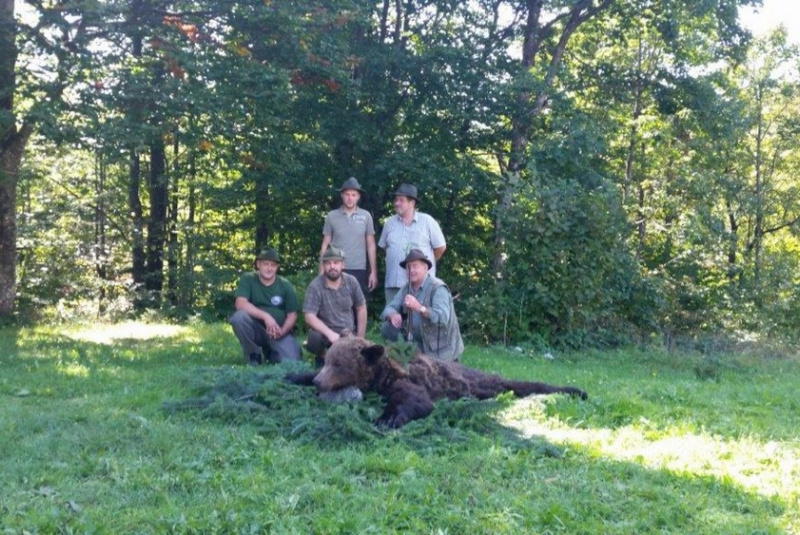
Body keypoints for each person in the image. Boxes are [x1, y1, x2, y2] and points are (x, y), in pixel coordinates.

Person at [380, 248, 463, 362]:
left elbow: (442, 318)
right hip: (418, 340)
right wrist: (393, 315)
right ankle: (405, 358)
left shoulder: (437, 288)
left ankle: (419, 359)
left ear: (425, 268)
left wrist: (420, 308)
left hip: (440, 346)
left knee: (436, 375)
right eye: (408, 267)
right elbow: (388, 308)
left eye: (415, 266)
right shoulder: (406, 288)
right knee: (387, 328)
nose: (411, 270)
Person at [229, 247, 302, 365]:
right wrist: (266, 317)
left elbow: (292, 315)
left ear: (277, 267)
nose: (269, 268)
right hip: (256, 328)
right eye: (265, 264)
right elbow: (240, 303)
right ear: (258, 264)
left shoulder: (285, 285)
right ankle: (253, 355)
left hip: (278, 331)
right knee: (239, 318)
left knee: (292, 362)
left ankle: (270, 352)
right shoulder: (248, 279)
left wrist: (282, 331)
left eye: (273, 265)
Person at [378, 183, 446, 305]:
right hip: (394, 284)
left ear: (412, 203)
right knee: (393, 320)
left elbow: (440, 248)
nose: (396, 203)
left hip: (422, 286)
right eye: (396, 199)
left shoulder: (427, 222)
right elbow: (386, 249)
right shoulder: (389, 223)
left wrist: (425, 264)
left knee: (420, 321)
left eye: (401, 200)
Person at [304, 246, 367, 366]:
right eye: (328, 263)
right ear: (323, 266)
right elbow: (309, 316)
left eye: (336, 263)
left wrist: (360, 338)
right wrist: (330, 334)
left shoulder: (352, 282)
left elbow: (361, 308)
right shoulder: (315, 286)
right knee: (313, 339)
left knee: (358, 357)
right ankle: (322, 357)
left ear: (342, 265)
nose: (332, 266)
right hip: (325, 334)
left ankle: (342, 355)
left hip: (347, 332)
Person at [319, 177, 378, 300]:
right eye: (347, 194)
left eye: (353, 195)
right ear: (342, 195)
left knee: (358, 305)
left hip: (358, 268)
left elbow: (371, 245)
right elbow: (325, 244)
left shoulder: (366, 216)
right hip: (335, 267)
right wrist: (321, 269)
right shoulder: (332, 216)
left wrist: (373, 271)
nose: (350, 198)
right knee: (334, 304)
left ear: (358, 197)